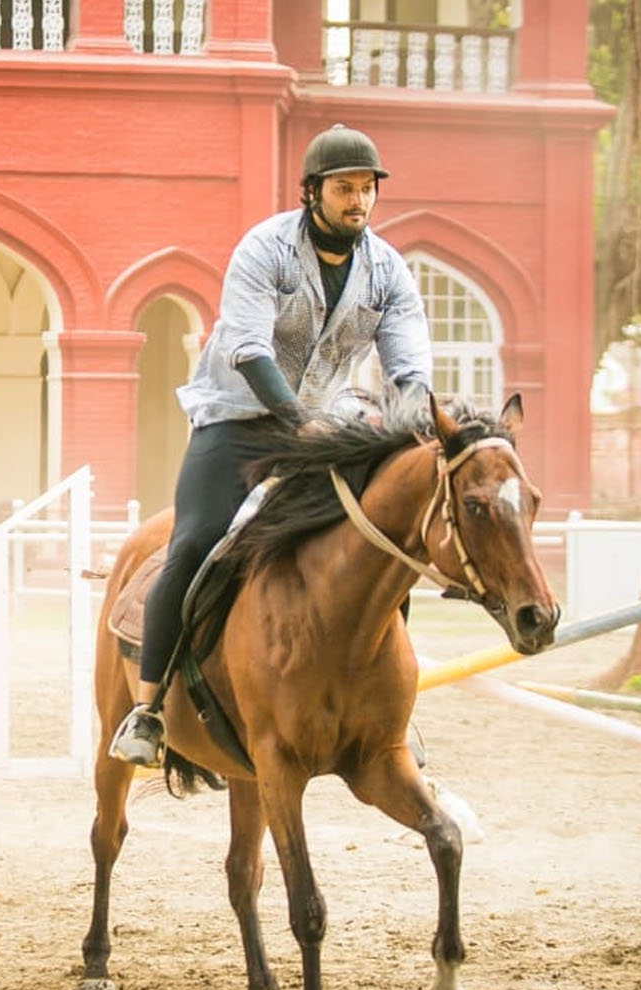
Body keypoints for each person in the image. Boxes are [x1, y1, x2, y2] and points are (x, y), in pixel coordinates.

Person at [107, 123, 435, 767]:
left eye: (368, 189)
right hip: (237, 420)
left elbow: (409, 362)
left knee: (381, 543)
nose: (359, 201)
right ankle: (147, 710)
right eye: (345, 188)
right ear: (312, 191)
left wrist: (415, 419)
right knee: (196, 539)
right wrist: (295, 421)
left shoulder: (388, 269)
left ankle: (392, 711)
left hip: (325, 425)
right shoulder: (265, 249)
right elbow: (248, 346)